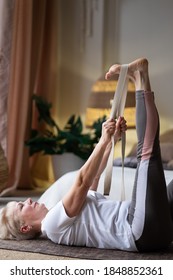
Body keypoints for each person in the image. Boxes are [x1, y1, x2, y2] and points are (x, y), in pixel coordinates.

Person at [0, 58, 173, 252]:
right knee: (147, 152)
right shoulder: (51, 226)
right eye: (22, 206)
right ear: (25, 227)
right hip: (138, 230)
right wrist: (103, 140)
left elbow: (93, 178)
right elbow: (81, 181)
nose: (29, 200)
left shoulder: (61, 217)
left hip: (155, 230)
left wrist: (111, 140)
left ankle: (138, 77)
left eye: (23, 201)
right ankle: (141, 76)